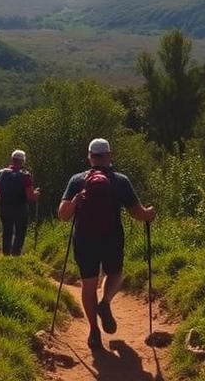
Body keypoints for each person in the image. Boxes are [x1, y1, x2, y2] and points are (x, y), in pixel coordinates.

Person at [58, 138, 156, 350]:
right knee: (116, 274)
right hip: (112, 238)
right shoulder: (120, 180)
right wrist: (150, 213)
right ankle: (105, 303)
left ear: (90, 156)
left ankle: (94, 331)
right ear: (109, 155)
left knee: (88, 284)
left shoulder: (77, 180)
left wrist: (75, 201)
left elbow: (63, 215)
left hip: (84, 240)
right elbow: (138, 214)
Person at [0, 148, 40, 256]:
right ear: (23, 161)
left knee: (7, 231)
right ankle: (16, 256)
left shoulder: (1, 173)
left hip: (4, 207)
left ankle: (6, 256)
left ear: (12, 159)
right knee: (20, 232)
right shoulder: (25, 175)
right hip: (20, 208)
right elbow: (30, 196)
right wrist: (36, 195)